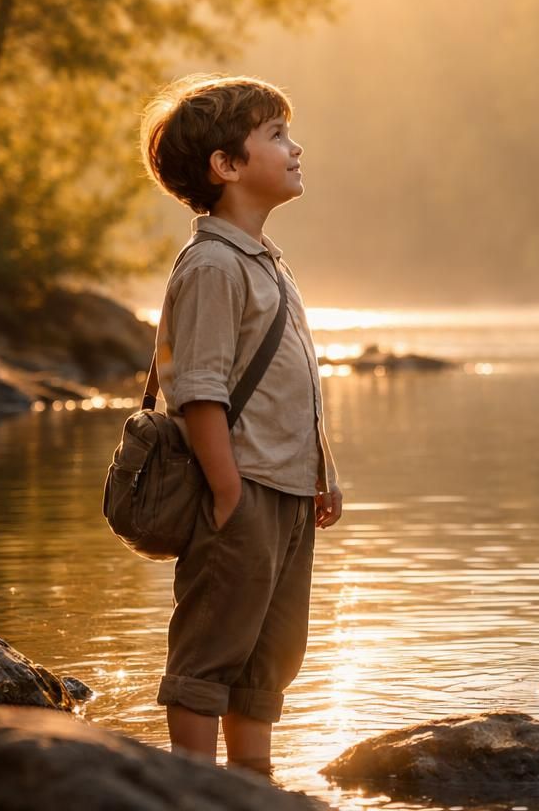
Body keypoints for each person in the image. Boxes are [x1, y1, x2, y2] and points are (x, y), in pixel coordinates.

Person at [139, 73, 344, 774]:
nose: (295, 148)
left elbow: (295, 386)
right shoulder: (211, 266)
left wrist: (323, 474)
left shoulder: (268, 265)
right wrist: (227, 493)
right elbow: (198, 392)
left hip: (286, 491)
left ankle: (251, 787)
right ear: (226, 166)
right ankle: (195, 791)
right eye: (276, 136)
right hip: (242, 490)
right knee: (212, 653)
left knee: (267, 661)